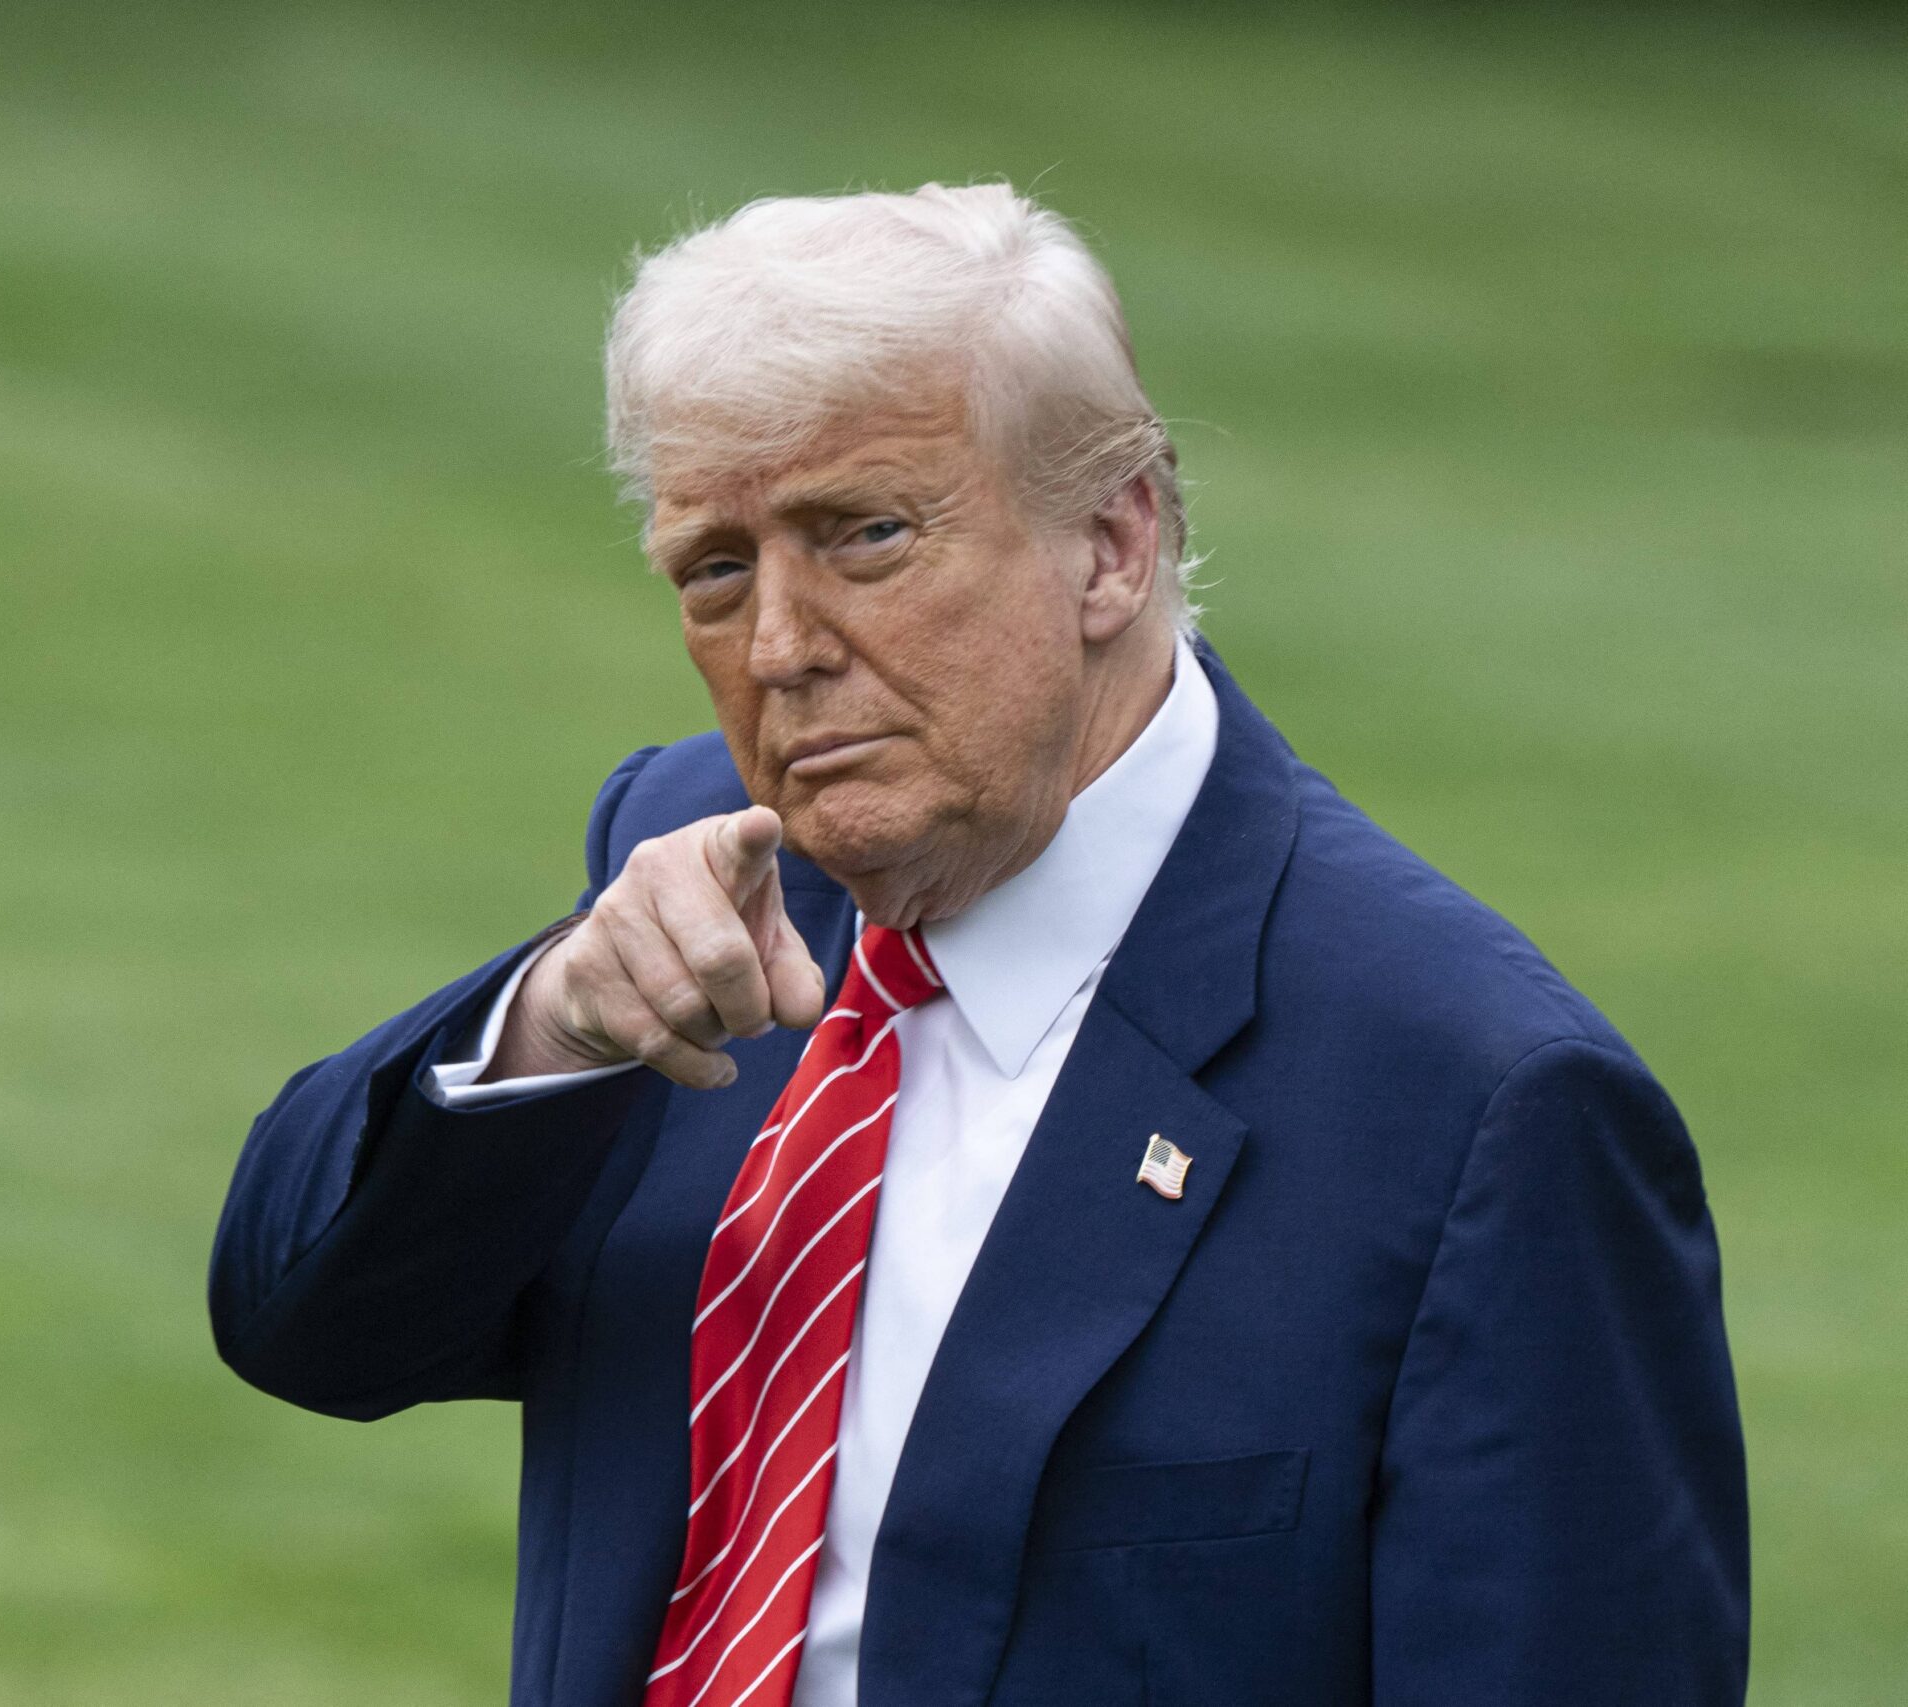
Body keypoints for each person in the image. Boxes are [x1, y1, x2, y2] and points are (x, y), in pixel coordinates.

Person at [208, 183, 1746, 1707]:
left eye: (868, 536)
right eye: (717, 569)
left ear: (1112, 545)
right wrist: (552, 1021)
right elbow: (313, 1334)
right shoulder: (700, 890)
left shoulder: (1479, 1103)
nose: (781, 648)